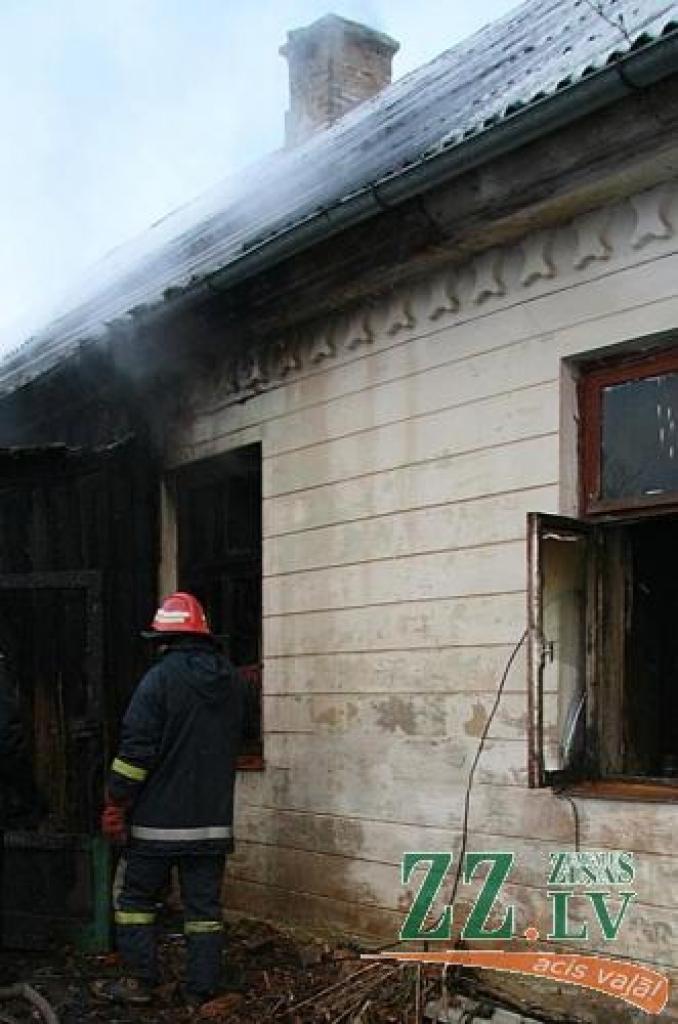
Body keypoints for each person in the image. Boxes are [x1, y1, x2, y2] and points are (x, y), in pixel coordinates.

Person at [95, 592, 257, 1007]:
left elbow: (135, 753)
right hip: (212, 824)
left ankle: (140, 982)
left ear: (162, 640)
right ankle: (202, 989)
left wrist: (116, 799)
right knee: (203, 910)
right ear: (204, 636)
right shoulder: (233, 683)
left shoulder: (158, 681)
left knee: (134, 902)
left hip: (155, 827)